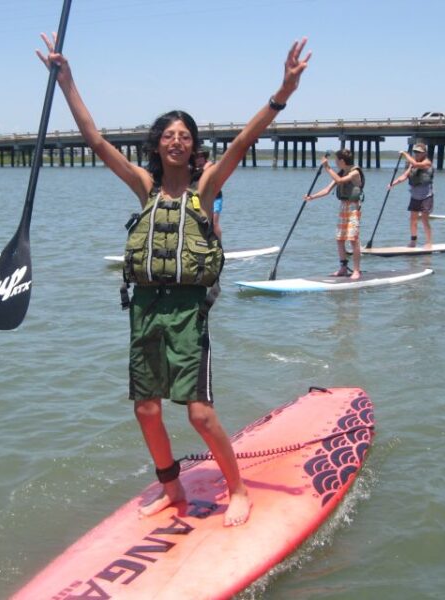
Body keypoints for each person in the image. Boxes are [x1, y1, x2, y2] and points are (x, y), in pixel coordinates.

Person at [36, 33, 310, 527]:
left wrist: (282, 93)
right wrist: (67, 82)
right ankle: (171, 486)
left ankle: (238, 489)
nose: (178, 140)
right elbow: (96, 140)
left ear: (193, 146)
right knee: (146, 408)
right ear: (157, 145)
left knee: (199, 414)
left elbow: (245, 140)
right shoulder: (144, 188)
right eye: (169, 135)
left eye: (186, 135)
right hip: (144, 305)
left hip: (187, 310)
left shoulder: (206, 189)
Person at [305, 148, 365, 280]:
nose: (335, 162)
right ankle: (343, 268)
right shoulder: (341, 172)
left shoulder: (354, 172)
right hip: (343, 207)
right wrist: (312, 197)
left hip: (354, 207)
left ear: (342, 161)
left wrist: (327, 167)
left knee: (353, 239)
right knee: (339, 239)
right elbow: (327, 190)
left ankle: (356, 270)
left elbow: (339, 181)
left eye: (337, 160)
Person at [388, 142, 434, 248]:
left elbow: (417, 164)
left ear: (424, 153)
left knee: (424, 219)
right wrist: (392, 184)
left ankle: (429, 242)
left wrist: (405, 154)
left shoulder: (427, 162)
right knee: (413, 219)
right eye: (415, 152)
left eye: (419, 152)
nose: (417, 154)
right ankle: (413, 241)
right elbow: (404, 176)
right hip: (415, 196)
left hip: (426, 195)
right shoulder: (412, 164)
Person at [194, 150, 224, 240]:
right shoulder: (193, 169)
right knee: (198, 223)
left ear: (204, 158)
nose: (199, 159)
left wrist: (203, 169)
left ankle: (219, 247)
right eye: (196, 157)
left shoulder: (210, 166)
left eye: (201, 157)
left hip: (215, 197)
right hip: (199, 198)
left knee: (214, 223)